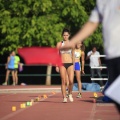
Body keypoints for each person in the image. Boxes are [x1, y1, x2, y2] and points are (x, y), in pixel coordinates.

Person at [60, 0, 120, 110]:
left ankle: (77, 92)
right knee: (116, 96)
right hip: (111, 56)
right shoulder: (102, 3)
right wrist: (73, 42)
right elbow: (92, 23)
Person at [56, 28, 74, 103]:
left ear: (69, 35)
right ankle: (64, 97)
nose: (65, 36)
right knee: (63, 81)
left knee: (71, 81)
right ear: (62, 36)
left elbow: (73, 54)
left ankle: (70, 93)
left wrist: (74, 64)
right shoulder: (59, 44)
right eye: (64, 35)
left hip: (70, 63)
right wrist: (56, 65)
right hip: (62, 64)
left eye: (67, 35)